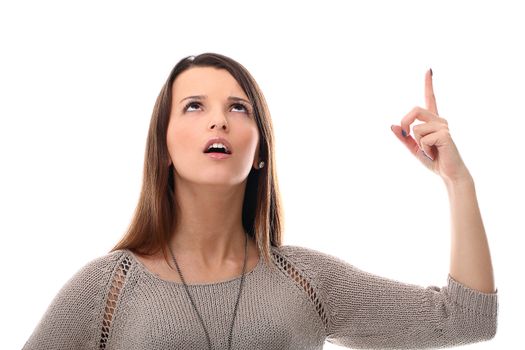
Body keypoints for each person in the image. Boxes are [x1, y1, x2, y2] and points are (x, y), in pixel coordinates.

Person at [22, 53, 498, 350]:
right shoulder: (108, 288)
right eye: (194, 106)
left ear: (260, 152)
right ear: (162, 148)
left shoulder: (309, 281)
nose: (219, 122)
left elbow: (467, 318)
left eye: (238, 107)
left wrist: (458, 182)